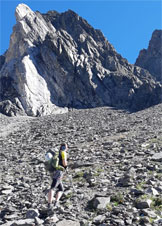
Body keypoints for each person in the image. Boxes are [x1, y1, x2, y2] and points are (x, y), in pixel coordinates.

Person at [47, 143, 68, 209]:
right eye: (65, 147)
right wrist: (66, 167)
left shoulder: (57, 153)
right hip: (59, 171)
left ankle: (56, 202)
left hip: (53, 171)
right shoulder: (63, 153)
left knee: (61, 189)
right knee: (53, 187)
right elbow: (64, 163)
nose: (65, 148)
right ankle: (49, 204)